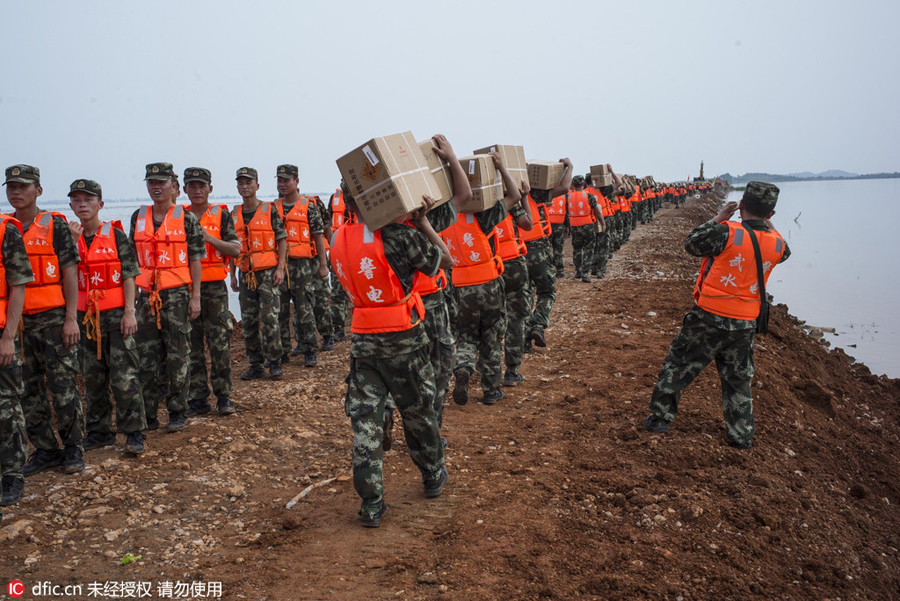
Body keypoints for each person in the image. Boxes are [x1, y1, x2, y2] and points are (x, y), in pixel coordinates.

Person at [331, 191, 452, 528]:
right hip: (404, 340)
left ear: (350, 204)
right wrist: (421, 220)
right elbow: (446, 261)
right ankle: (431, 474)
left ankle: (371, 504)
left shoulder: (339, 237)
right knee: (417, 410)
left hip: (363, 342)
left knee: (365, 422)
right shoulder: (401, 235)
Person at [644, 182, 789, 449]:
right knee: (738, 380)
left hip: (709, 316)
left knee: (679, 364)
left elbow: (692, 242)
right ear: (771, 215)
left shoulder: (726, 234)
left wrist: (718, 217)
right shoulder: (778, 244)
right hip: (745, 322)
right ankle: (741, 436)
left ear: (741, 205)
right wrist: (767, 224)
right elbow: (784, 251)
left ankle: (660, 419)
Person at [6, 164, 86, 475]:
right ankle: (45, 449)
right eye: (11, 187)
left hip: (53, 319)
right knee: (27, 390)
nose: (16, 192)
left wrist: (71, 318)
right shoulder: (5, 228)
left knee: (63, 385)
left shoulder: (55, 225)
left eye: (23, 187)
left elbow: (70, 273)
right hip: (19, 324)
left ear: (38, 191)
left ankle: (74, 447)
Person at [69, 179, 148, 455]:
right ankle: (99, 432)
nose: (82, 204)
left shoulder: (115, 235)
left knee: (124, 376)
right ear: (70, 206)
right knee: (92, 377)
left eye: (88, 199)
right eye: (77, 200)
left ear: (100, 204)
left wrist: (130, 312)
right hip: (83, 318)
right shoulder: (68, 237)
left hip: (116, 316)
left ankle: (134, 432)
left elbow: (129, 274)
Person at [131, 163, 205, 433]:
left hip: (176, 296)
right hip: (146, 297)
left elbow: (196, 259)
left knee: (178, 356)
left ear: (173, 186)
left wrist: (195, 297)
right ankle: (149, 415)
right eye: (151, 182)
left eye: (161, 182)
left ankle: (177, 411)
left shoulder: (186, 218)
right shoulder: (138, 216)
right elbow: (131, 261)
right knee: (145, 359)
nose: (155, 187)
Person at [446, 152, 521, 406]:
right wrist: (501, 168)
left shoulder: (442, 219)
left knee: (466, 335)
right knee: (491, 335)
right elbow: (515, 197)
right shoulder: (482, 216)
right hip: (488, 285)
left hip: (460, 289)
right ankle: (490, 390)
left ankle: (464, 367)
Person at [183, 168, 241, 417]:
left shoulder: (222, 215)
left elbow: (235, 250)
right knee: (192, 345)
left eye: (201, 186)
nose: (197, 191)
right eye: (192, 186)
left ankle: (224, 396)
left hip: (215, 289)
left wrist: (207, 237)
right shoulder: (178, 217)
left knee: (219, 344)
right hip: (186, 288)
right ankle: (198, 398)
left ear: (210, 189)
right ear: (183, 189)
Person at [230, 167, 287, 380]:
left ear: (257, 185)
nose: (245, 186)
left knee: (270, 317)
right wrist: (232, 274)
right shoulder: (233, 213)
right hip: (245, 274)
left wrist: (280, 268)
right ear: (237, 186)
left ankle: (274, 362)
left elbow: (282, 239)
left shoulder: (269, 210)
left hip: (268, 272)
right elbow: (232, 245)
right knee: (249, 320)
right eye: (241, 183)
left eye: (249, 182)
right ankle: (255, 364)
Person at [274, 164, 327, 368]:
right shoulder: (273, 208)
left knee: (304, 307)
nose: (283, 184)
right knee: (280, 311)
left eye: (286, 180)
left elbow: (318, 237)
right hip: (280, 264)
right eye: (279, 180)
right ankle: (283, 350)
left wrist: (323, 264)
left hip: (303, 264)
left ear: (296, 181)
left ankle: (309, 349)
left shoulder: (309, 206)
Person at [0, 187, 32, 507]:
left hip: (1, 332)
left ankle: (12, 473)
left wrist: (9, 336)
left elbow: (18, 285)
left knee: (6, 404)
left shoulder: (6, 230)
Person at [523, 158, 573, 350]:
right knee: (547, 291)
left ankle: (525, 340)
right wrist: (569, 166)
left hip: (516, 252)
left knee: (525, 296)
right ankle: (538, 325)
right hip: (538, 250)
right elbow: (565, 186)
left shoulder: (504, 197)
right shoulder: (535, 194)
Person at [494, 180, 532, 387]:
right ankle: (511, 370)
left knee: (492, 320)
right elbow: (528, 224)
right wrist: (524, 196)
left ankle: (485, 367)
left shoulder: (477, 207)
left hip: (489, 269)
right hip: (513, 265)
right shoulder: (510, 205)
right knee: (516, 318)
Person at [327, 184, 355, 340]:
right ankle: (338, 329)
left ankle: (363, 328)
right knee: (338, 292)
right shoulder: (334, 199)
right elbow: (327, 226)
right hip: (339, 251)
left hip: (361, 251)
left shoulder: (364, 197)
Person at [566, 175, 604, 283]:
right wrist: (603, 223)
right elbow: (597, 211)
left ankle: (578, 270)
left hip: (574, 225)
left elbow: (566, 212)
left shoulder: (568, 197)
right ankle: (585, 273)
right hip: (587, 225)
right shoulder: (589, 196)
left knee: (577, 248)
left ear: (573, 185)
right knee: (588, 249)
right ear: (584, 184)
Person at [544, 193, 567, 277]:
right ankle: (559, 270)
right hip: (559, 225)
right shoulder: (564, 195)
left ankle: (548, 269)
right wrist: (567, 225)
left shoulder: (546, 194)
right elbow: (566, 210)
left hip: (547, 225)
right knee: (558, 249)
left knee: (547, 248)